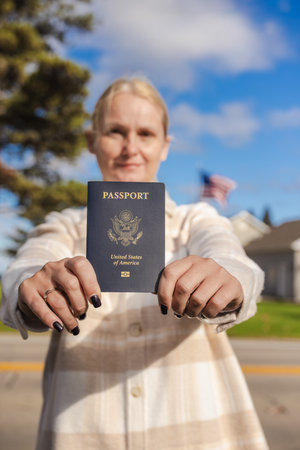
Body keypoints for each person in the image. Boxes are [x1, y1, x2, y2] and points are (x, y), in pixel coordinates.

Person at [0, 77, 268, 449]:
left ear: (165, 146)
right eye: (115, 131)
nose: (130, 148)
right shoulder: (64, 226)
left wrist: (228, 280)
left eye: (145, 133)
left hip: (201, 435)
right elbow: (25, 269)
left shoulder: (196, 220)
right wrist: (32, 287)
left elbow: (232, 258)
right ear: (92, 141)